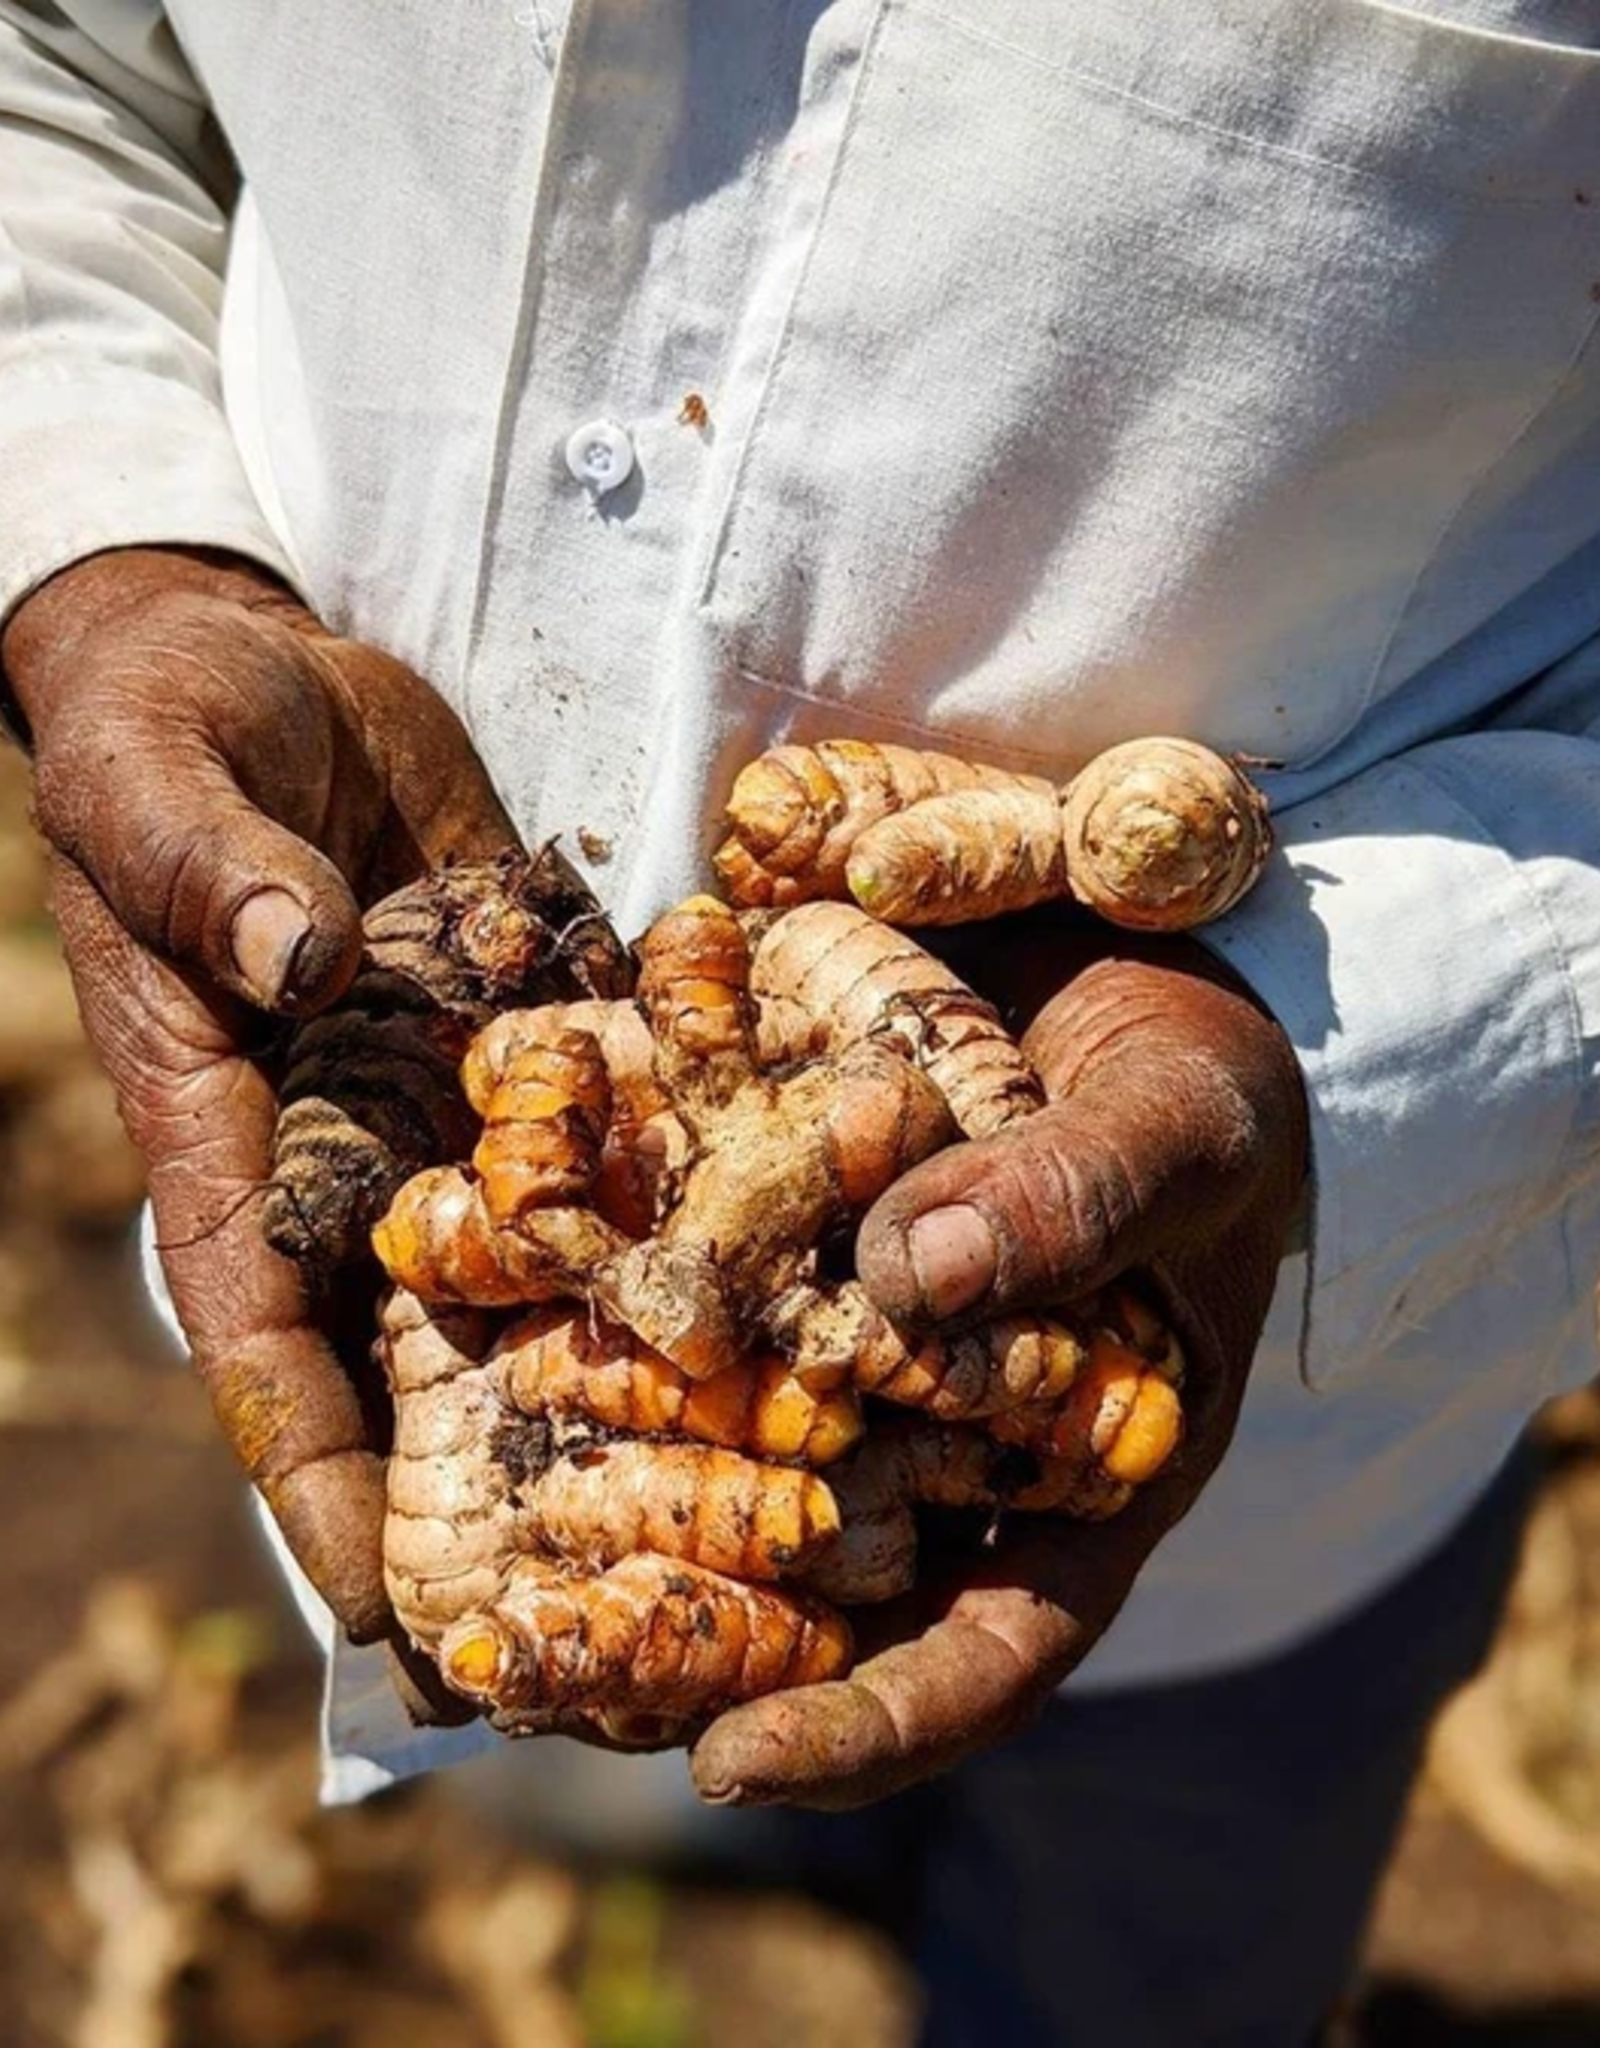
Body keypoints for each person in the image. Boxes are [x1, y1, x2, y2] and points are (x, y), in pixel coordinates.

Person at [2, 3, 1598, 2039]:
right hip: (483, 1353)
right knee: (652, 1772)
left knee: (1155, 1946)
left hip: (1302, 1459)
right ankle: (718, 1830)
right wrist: (117, 564)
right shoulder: (550, 1234)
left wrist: (1326, 1036)